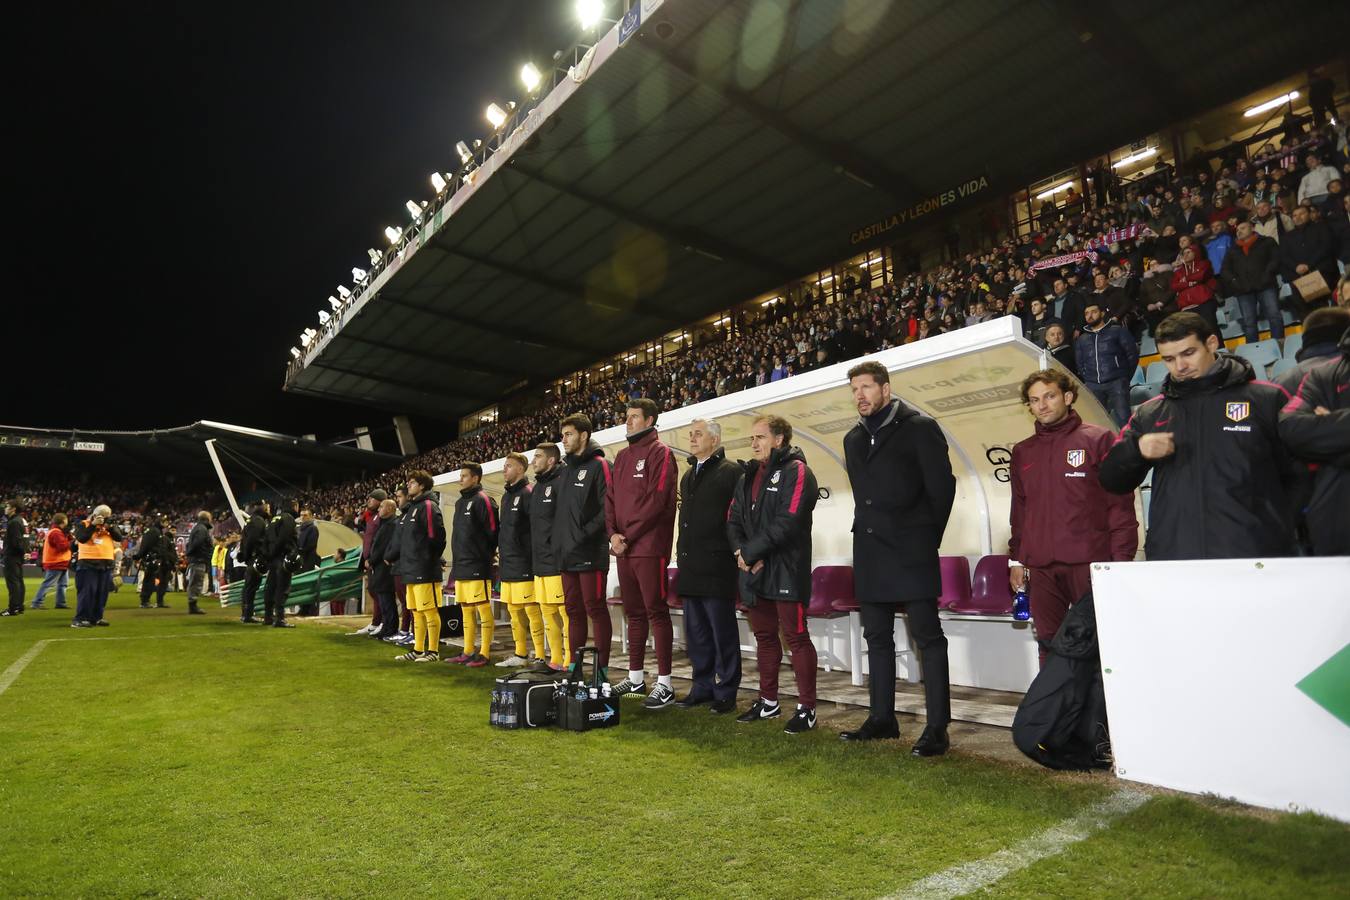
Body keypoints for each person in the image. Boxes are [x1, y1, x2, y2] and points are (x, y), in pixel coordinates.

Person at [1100, 312, 1298, 559]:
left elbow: (1298, 474)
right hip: (1175, 557)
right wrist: (1136, 451)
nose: (1180, 366)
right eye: (1169, 359)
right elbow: (1110, 479)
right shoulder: (1151, 413)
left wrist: (1278, 532)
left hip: (1253, 554)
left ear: (1212, 344)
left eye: (1188, 353)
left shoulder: (1265, 399)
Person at [840, 362, 956, 755]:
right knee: (876, 638)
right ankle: (882, 718)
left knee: (928, 638)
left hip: (911, 550)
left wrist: (924, 538)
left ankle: (938, 728)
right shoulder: (852, 439)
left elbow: (942, 489)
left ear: (886, 390)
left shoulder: (919, 428)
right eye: (854, 389)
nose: (860, 395)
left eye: (867, 387)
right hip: (871, 552)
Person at [1009, 369, 1138, 666]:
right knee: (1049, 645)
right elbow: (1020, 510)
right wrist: (1016, 560)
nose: (1042, 405)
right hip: (1041, 566)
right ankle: (1055, 711)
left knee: (1097, 642)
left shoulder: (1099, 439)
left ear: (1067, 397)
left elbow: (1119, 505)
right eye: (1034, 400)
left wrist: (1119, 562)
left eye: (1049, 396)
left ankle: (1098, 712)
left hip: (1089, 562)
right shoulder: (1023, 451)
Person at [727, 415, 819, 735]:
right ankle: (769, 701)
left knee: (795, 637)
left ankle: (807, 708)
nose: (754, 444)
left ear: (779, 439)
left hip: (785, 569)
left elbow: (789, 521)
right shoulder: (746, 476)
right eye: (751, 438)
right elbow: (733, 520)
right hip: (753, 570)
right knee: (765, 637)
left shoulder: (797, 471)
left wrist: (752, 553)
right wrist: (743, 554)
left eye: (760, 437)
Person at [605, 398, 680, 708]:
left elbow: (658, 500)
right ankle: (636, 677)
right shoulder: (621, 456)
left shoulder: (661, 453)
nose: (628, 421)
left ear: (650, 420)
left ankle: (666, 683)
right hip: (624, 548)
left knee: (656, 612)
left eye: (634, 417)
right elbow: (609, 499)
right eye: (627, 416)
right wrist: (612, 534)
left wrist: (628, 536)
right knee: (634, 613)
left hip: (649, 548)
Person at [673, 419, 743, 714]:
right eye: (690, 434)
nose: (692, 438)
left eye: (698, 434)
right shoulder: (688, 475)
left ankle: (726, 691)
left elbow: (736, 518)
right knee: (697, 634)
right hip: (691, 566)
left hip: (717, 566)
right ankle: (702, 686)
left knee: (722, 633)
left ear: (714, 440)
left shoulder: (731, 472)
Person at [1278, 325, 1350, 556]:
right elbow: (1291, 429)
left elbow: (1308, 438)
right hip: (1335, 523)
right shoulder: (1323, 375)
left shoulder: (1287, 377)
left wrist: (1329, 433)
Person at [554, 413, 612, 669]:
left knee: (595, 610)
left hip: (590, 551)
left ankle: (601, 671)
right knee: (573, 612)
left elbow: (607, 507)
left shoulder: (600, 465)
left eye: (568, 434)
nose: (563, 440)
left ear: (584, 435)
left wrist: (581, 534)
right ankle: (574, 667)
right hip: (567, 554)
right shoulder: (566, 469)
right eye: (562, 435)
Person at [387, 470, 446, 661]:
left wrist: (428, 561)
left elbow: (437, 538)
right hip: (410, 568)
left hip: (425, 569)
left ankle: (433, 651)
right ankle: (418, 649)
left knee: (429, 611)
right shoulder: (412, 508)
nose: (409, 485)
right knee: (416, 612)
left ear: (422, 486)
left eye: (412, 482)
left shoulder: (429, 506)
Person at [445, 462, 498, 667]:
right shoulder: (460, 502)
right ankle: (467, 650)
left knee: (483, 609)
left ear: (475, 478)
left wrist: (484, 556)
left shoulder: (484, 500)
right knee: (466, 609)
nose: (460, 479)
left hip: (478, 565)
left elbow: (493, 532)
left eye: (464, 476)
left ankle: (484, 653)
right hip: (461, 565)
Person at [495, 452, 545, 668]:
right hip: (508, 564)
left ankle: (541, 655)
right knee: (514, 612)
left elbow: (535, 530)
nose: (504, 469)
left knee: (532, 611)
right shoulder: (506, 496)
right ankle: (520, 654)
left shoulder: (528, 493)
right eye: (504, 466)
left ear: (521, 469)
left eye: (508, 466)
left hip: (525, 564)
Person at [530, 443, 569, 670]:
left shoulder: (561, 483)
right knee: (547, 614)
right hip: (539, 562)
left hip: (556, 561)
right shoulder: (537, 487)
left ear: (551, 460)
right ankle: (554, 660)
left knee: (564, 614)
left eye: (538, 457)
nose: (534, 461)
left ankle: (569, 661)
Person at [1073, 301, 1138, 427]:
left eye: (1094, 312)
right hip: (1093, 385)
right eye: (1086, 313)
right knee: (1098, 423)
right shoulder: (1082, 339)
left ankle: (1130, 446)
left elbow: (1132, 355)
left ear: (1102, 313)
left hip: (1117, 382)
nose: (1089, 316)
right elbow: (1079, 362)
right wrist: (1088, 378)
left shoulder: (1117, 331)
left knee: (1124, 420)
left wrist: (1124, 376)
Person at [1219, 220, 1283, 344]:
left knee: (1274, 316)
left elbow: (1275, 259)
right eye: (1237, 230)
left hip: (1266, 285)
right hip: (1243, 290)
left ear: (1252, 228)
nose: (1239, 231)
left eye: (1242, 228)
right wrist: (1234, 281)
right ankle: (1253, 351)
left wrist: (1267, 274)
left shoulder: (1267, 242)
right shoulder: (1233, 250)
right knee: (1249, 323)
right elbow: (1225, 270)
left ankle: (1279, 345)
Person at [1280, 204, 1339, 313]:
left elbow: (1326, 247)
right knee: (1304, 312)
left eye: (1302, 214)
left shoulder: (1321, 227)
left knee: (1323, 310)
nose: (1297, 217)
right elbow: (1284, 256)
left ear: (1310, 214)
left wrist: (1308, 265)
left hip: (1322, 273)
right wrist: (1296, 267)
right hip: (1299, 278)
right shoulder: (1286, 237)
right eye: (1294, 215)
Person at [71, 505, 123, 627]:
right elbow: (82, 538)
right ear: (95, 515)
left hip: (105, 564)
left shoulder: (109, 526)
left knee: (102, 593)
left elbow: (119, 538)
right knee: (87, 592)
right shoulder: (84, 524)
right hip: (88, 563)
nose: (104, 519)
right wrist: (93, 524)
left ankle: (97, 617)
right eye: (102, 516)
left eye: (107, 517)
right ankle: (80, 619)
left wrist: (110, 527)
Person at [353, 489, 387, 636]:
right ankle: (376, 622)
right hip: (370, 560)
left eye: (372, 499)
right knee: (373, 591)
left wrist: (372, 558)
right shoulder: (370, 517)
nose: (369, 501)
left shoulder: (379, 518)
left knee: (379, 592)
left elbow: (379, 541)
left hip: (377, 561)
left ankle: (382, 622)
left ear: (380, 501)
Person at [262, 500, 298, 628]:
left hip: (272, 559)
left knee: (270, 588)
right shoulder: (288, 519)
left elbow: (266, 539)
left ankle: (268, 616)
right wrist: (279, 553)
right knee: (282, 589)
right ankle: (279, 618)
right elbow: (284, 538)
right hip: (282, 558)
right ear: (293, 506)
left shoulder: (273, 520)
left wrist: (269, 555)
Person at [367, 499, 400, 639]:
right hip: (380, 566)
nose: (379, 509)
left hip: (384, 567)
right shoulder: (385, 524)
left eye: (382, 506)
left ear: (390, 509)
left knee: (387, 599)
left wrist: (371, 560)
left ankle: (390, 628)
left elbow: (381, 547)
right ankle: (386, 626)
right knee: (383, 599)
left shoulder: (391, 524)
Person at [1170, 245, 1219, 332]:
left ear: (1195, 253)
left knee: (1211, 329)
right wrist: (1189, 283)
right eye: (1183, 253)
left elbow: (1201, 276)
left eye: (1188, 252)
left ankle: (1219, 346)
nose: (1185, 255)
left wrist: (1185, 280)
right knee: (1196, 334)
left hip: (1204, 303)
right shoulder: (1178, 272)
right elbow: (1174, 286)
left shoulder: (1204, 263)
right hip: (1187, 307)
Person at [32, 513, 72, 610]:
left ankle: (60, 603)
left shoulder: (55, 531)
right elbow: (62, 547)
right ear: (63, 521)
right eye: (66, 520)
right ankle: (37, 602)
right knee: (48, 584)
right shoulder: (56, 532)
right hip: (56, 562)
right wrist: (71, 541)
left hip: (61, 562)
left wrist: (67, 536)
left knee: (62, 584)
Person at [237, 501, 268, 623]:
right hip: (255, 558)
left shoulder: (250, 521)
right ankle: (247, 614)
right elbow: (252, 540)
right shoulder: (258, 521)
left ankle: (246, 613)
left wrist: (244, 555)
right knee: (251, 587)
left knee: (249, 586)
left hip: (251, 557)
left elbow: (245, 541)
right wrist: (249, 554)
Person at [184, 510, 212, 616]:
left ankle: (193, 605)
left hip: (196, 559)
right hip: (199, 559)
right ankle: (193, 606)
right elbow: (198, 543)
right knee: (196, 582)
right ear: (207, 519)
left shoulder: (198, 528)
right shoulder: (202, 529)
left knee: (195, 582)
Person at [3, 500, 28, 616]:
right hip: (17, 556)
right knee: (18, 581)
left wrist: (21, 551)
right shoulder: (21, 520)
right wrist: (24, 552)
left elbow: (16, 542)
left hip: (12, 556)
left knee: (13, 582)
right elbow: (22, 540)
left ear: (13, 509)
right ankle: (19, 606)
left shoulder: (13, 522)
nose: (5, 508)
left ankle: (13, 608)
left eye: (7, 506)